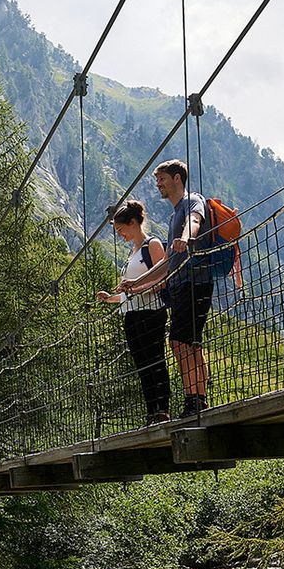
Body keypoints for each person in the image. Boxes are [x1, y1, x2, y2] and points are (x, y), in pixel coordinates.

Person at [117, 159, 212, 416]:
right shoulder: (173, 216)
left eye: (162, 179)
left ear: (177, 179)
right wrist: (135, 283)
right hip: (181, 283)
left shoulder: (192, 201)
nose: (158, 184)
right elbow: (169, 262)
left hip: (196, 281)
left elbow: (195, 219)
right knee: (186, 342)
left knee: (182, 341)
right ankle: (196, 397)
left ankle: (196, 398)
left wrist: (186, 237)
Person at [96, 200, 172, 424]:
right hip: (132, 314)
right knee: (141, 365)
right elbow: (130, 293)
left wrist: (134, 287)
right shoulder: (133, 252)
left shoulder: (152, 245)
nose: (120, 235)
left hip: (151, 312)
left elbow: (163, 280)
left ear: (133, 223)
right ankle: (151, 412)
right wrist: (111, 298)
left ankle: (162, 409)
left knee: (155, 360)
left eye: (121, 230)